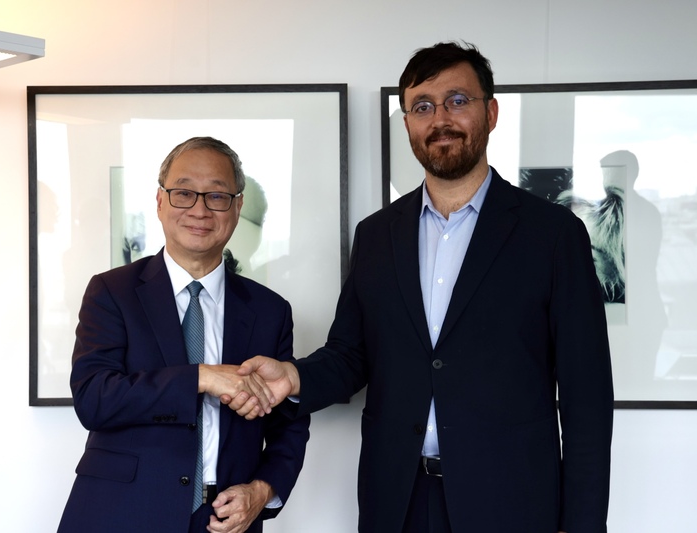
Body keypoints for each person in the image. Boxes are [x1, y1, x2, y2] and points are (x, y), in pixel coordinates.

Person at [228, 42, 614, 533]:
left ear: (491, 113)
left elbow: (587, 398)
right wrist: (293, 377)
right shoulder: (376, 235)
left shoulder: (553, 235)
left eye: (458, 100)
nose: (440, 119)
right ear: (408, 122)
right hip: (398, 503)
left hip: (511, 505)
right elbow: (351, 355)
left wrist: (582, 525)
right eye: (423, 106)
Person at [57, 136, 310, 533]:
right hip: (119, 514)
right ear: (160, 201)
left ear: (237, 207)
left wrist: (262, 491)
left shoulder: (270, 311)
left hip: (224, 521)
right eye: (184, 193)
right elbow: (94, 399)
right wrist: (202, 377)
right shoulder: (112, 292)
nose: (199, 209)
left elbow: (289, 424)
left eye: (217, 196)